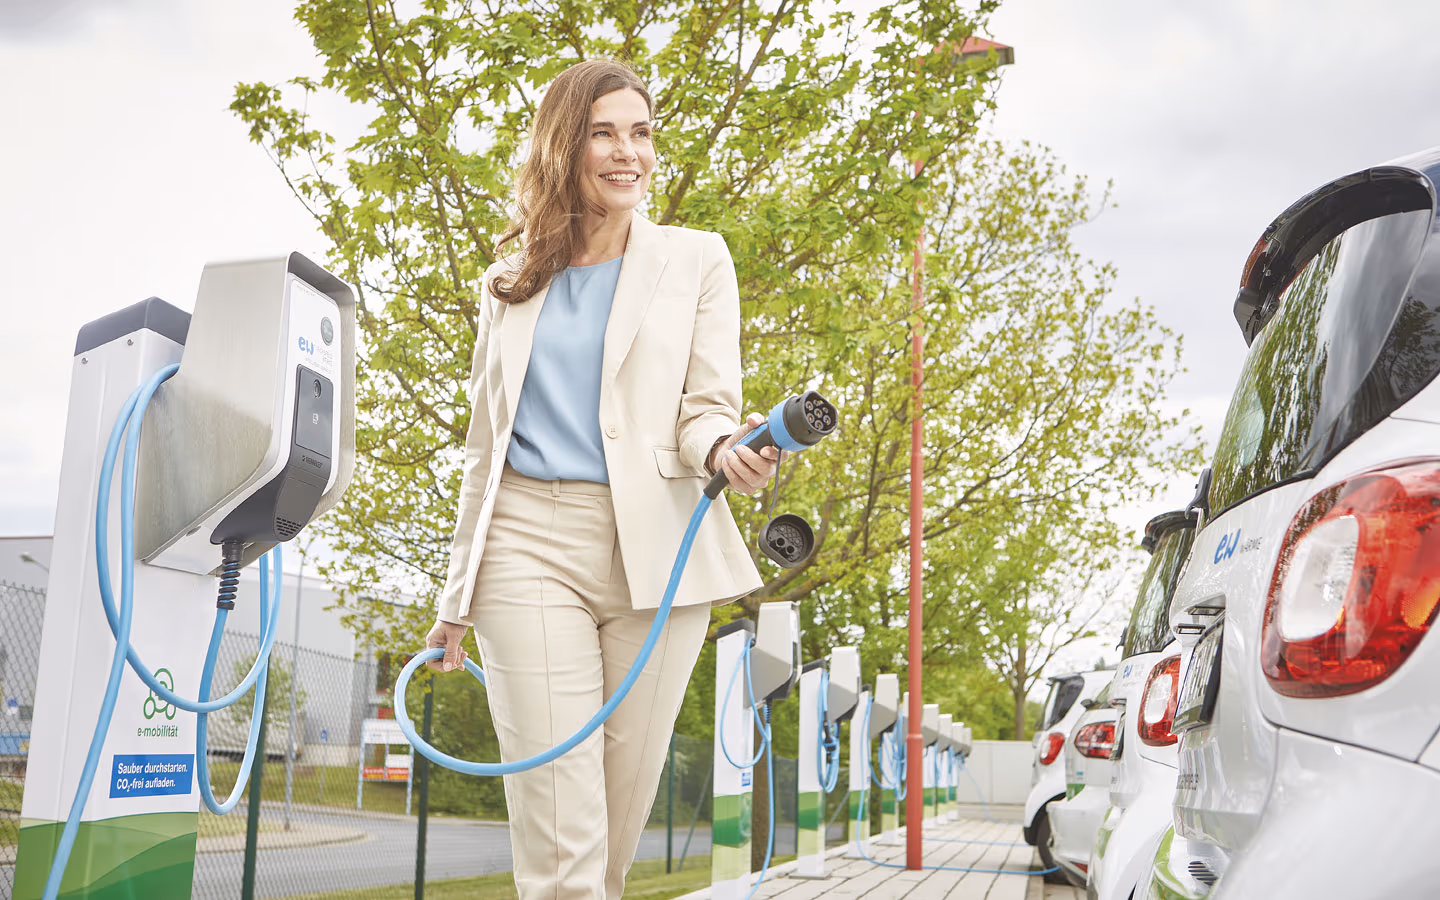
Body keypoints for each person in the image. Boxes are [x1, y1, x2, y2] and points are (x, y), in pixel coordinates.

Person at [424, 58, 779, 899]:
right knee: (561, 839)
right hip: (525, 548)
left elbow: (705, 409)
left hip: (658, 555)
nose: (629, 153)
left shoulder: (696, 259)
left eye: (642, 132)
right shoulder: (508, 283)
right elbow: (484, 446)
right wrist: (454, 599)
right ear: (563, 145)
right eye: (604, 132)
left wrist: (729, 446)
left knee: (613, 835)